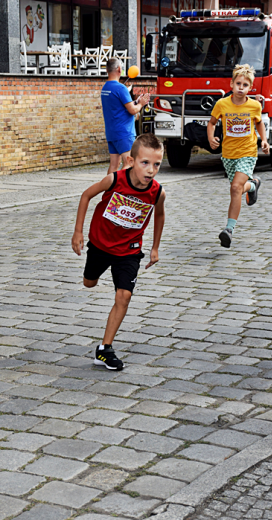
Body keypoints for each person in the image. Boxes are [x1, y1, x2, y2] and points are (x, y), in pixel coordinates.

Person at [71, 133, 167, 371]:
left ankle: (105, 349)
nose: (151, 170)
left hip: (129, 250)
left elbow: (160, 214)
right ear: (132, 161)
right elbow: (86, 196)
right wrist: (78, 233)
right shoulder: (114, 181)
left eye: (156, 164)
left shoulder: (156, 192)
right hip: (101, 245)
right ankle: (95, 273)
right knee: (89, 283)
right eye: (145, 163)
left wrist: (155, 247)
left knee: (124, 296)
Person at [207, 64, 268, 248]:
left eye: (245, 85)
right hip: (228, 154)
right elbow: (211, 123)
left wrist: (263, 140)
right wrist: (211, 138)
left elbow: (259, 124)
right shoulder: (222, 104)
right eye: (238, 83)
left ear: (250, 88)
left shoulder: (254, 106)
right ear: (231, 84)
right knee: (238, 189)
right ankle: (253, 185)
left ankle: (229, 230)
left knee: (235, 188)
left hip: (248, 153)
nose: (241, 88)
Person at [101, 58, 150, 174]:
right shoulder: (121, 88)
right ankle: (120, 189)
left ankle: (110, 190)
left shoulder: (105, 88)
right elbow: (133, 111)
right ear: (119, 69)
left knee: (114, 165)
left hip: (111, 132)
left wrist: (135, 102)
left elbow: (118, 106)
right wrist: (141, 104)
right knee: (128, 164)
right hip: (124, 132)